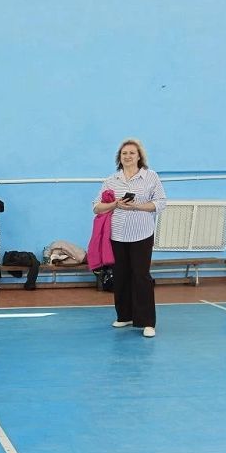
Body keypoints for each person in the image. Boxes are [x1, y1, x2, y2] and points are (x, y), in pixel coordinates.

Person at [93, 138, 166, 338]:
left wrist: (137, 206)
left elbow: (160, 203)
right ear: (119, 157)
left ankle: (147, 322)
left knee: (141, 276)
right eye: (124, 153)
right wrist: (115, 204)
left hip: (142, 234)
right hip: (117, 236)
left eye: (132, 153)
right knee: (121, 276)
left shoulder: (150, 177)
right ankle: (125, 316)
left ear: (139, 156)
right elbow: (96, 207)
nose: (128, 156)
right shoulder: (111, 180)